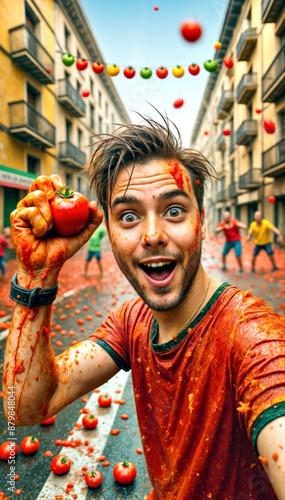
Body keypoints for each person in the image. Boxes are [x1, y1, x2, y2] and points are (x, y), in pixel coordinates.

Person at [3, 115, 285, 500]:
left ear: (201, 223)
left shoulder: (253, 338)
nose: (152, 236)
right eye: (130, 216)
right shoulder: (131, 322)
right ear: (111, 234)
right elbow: (27, 406)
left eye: (174, 211)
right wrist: (36, 277)